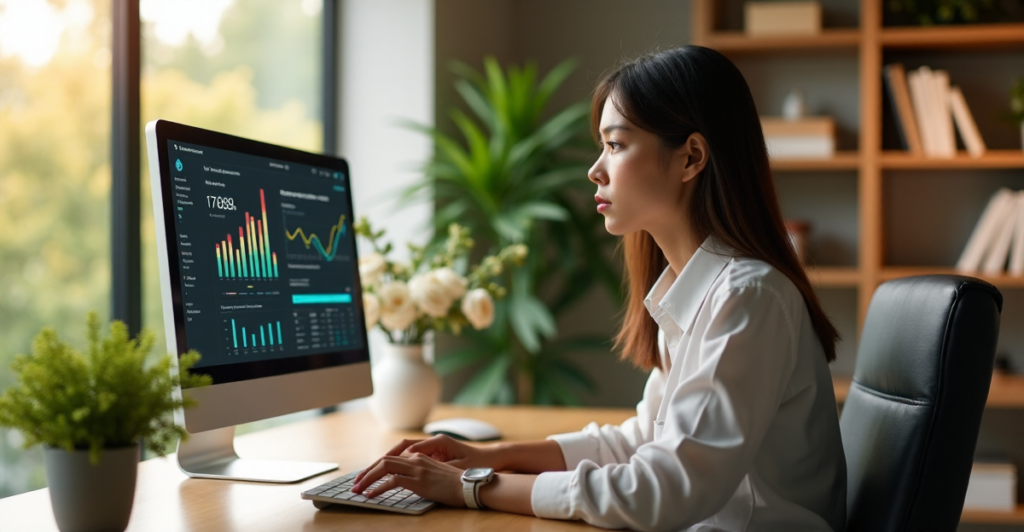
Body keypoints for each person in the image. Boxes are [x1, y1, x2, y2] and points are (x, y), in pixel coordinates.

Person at [352, 45, 847, 532]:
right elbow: (640, 442)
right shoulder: (695, 290)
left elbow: (666, 489)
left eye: (615, 144)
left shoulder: (748, 295)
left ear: (691, 157)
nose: (595, 169)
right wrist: (489, 457)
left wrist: (472, 485)